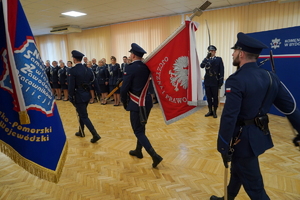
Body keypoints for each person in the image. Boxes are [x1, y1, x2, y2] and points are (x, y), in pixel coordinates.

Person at [210, 32, 300, 200]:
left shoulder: (236, 80)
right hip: (258, 135)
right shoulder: (270, 77)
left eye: (234, 51)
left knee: (256, 188)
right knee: (238, 172)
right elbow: (290, 108)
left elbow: (229, 116)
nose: (232, 54)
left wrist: (223, 145)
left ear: (241, 53)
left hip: (241, 141)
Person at [120, 43, 163, 168]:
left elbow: (124, 89)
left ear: (133, 55)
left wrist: (124, 102)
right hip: (147, 101)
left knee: (138, 130)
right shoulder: (147, 67)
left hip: (136, 102)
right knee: (141, 127)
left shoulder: (130, 68)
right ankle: (138, 151)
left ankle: (155, 155)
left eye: (130, 54)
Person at [68, 50, 101, 143]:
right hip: (87, 95)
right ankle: (81, 131)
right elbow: (94, 81)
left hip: (78, 96)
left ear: (74, 59)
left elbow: (71, 86)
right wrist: (98, 93)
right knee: (81, 113)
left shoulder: (72, 70)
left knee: (83, 116)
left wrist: (70, 97)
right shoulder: (88, 69)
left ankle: (95, 134)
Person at [200, 45, 224, 118]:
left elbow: (222, 70)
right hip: (207, 80)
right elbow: (201, 66)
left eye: (212, 51)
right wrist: (206, 58)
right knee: (209, 96)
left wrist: (221, 81)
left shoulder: (218, 59)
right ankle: (210, 110)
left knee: (215, 97)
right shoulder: (206, 59)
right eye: (210, 51)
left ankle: (214, 111)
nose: (211, 52)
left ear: (215, 52)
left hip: (215, 80)